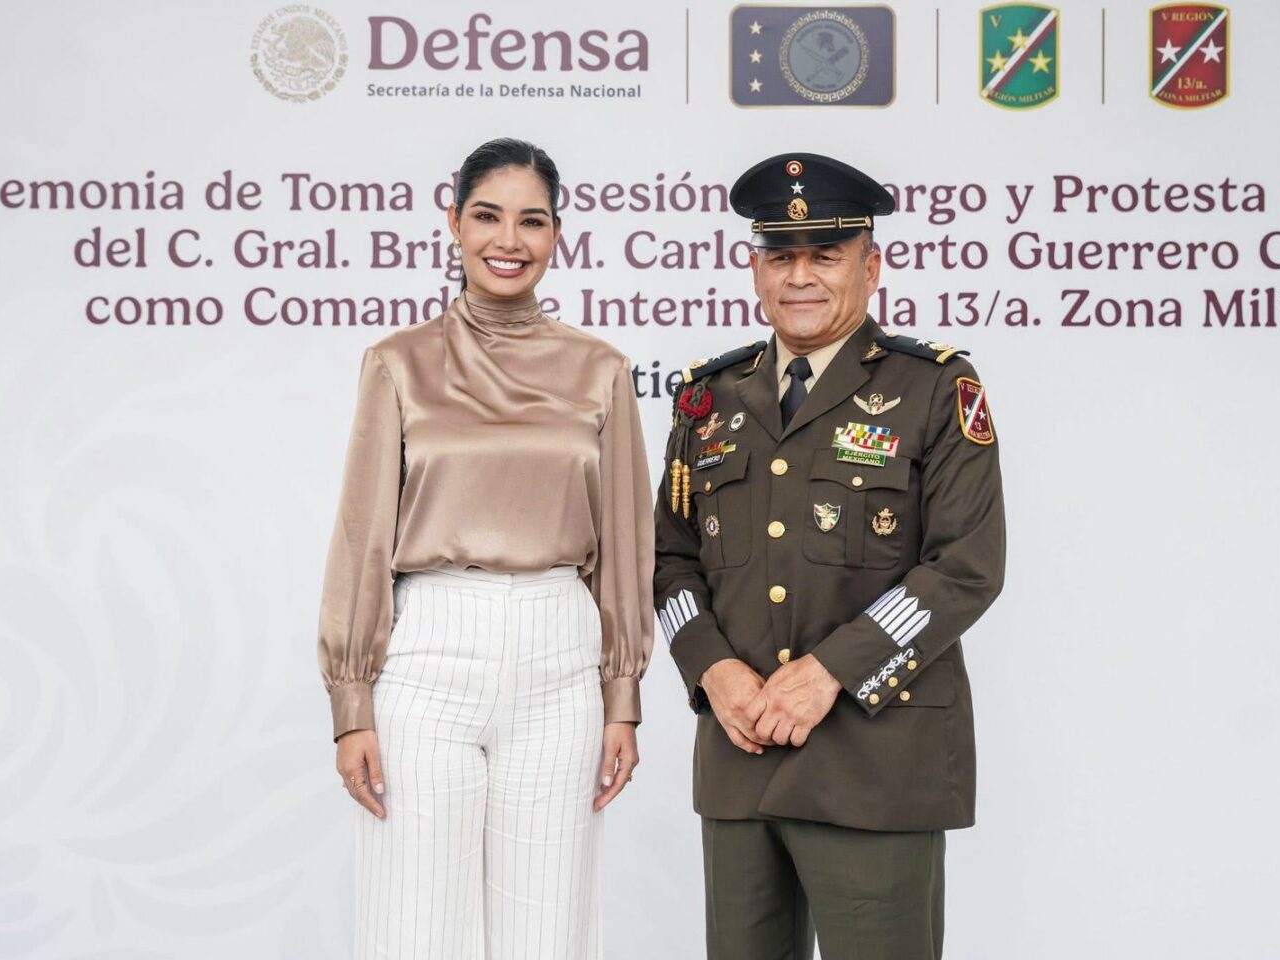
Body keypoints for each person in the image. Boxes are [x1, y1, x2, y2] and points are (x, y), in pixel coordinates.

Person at [654, 152, 1007, 959]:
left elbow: (965, 567)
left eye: (826, 255)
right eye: (781, 256)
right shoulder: (708, 399)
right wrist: (714, 670)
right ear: (755, 269)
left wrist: (828, 674)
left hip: (874, 760)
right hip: (740, 760)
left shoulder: (934, 389)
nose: (800, 277)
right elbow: (669, 565)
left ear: (871, 266)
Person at [316, 137, 654, 959]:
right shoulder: (398, 365)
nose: (510, 240)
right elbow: (363, 536)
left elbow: (625, 546)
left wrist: (622, 696)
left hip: (560, 655)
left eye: (532, 221)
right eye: (488, 217)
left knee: (549, 929)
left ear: (558, 234)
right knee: (416, 926)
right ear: (454, 225)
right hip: (430, 652)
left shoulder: (600, 369)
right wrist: (350, 703)